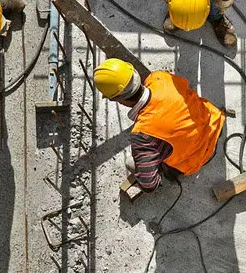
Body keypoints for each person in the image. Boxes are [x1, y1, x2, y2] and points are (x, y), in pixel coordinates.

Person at [93, 58, 225, 192]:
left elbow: (149, 185)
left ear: (118, 99)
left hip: (197, 158)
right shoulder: (159, 78)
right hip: (214, 124)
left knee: (130, 162)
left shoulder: (142, 135)